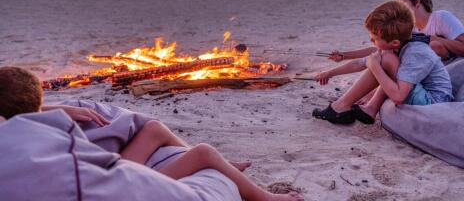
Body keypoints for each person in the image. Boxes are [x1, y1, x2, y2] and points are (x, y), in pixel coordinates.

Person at [0, 66, 302, 201]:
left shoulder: (16, 137)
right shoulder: (43, 144)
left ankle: (223, 165)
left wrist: (52, 107)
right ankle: (265, 198)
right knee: (204, 153)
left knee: (155, 128)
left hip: (105, 172)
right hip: (120, 183)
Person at [313, 1, 453, 125]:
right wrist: (329, 73)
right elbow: (360, 63)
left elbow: (398, 97)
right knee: (384, 58)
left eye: (374, 39)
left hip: (433, 101)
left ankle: (340, 107)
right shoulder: (401, 42)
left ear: (394, 42)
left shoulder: (416, 52)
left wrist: (374, 67)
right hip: (422, 92)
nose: (371, 41)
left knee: (386, 59)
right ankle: (369, 109)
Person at [329, 0, 464, 62]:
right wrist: (344, 55)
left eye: (403, 4)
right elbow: (381, 46)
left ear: (417, 3)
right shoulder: (409, 27)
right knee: (388, 54)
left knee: (434, 46)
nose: (400, 9)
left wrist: (434, 39)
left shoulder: (441, 17)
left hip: (453, 58)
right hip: (430, 61)